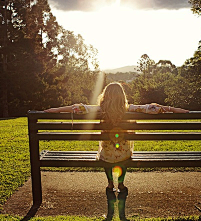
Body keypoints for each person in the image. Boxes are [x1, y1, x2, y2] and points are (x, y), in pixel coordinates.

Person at [44, 82, 189, 221]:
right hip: (124, 154)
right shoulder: (129, 109)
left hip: (106, 154)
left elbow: (77, 108)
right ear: (122, 96)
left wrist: (52, 111)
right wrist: (177, 110)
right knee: (122, 155)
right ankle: (120, 183)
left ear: (105, 96)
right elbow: (151, 108)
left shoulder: (100, 110)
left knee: (105, 154)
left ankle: (109, 184)